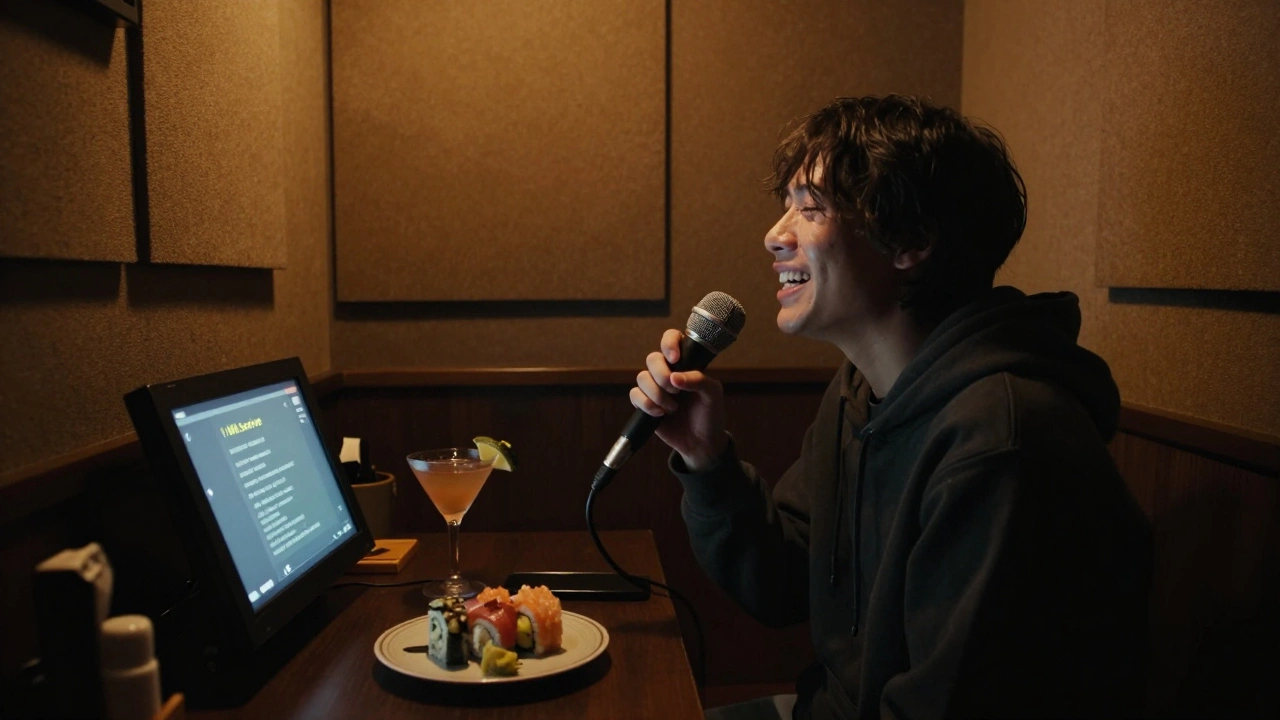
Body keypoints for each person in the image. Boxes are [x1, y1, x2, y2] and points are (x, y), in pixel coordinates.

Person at [631, 95, 1152, 719]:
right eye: (785, 207)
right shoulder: (861, 391)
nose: (775, 236)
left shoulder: (1000, 442)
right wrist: (706, 459)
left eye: (811, 209)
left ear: (910, 240)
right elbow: (783, 583)